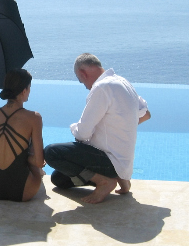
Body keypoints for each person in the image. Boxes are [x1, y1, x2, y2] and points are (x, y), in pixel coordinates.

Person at [43, 54, 150, 204]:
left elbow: (82, 134)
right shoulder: (123, 83)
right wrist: (120, 126)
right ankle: (120, 178)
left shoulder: (102, 88)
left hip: (109, 159)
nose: (86, 87)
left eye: (82, 82)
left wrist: (74, 128)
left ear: (83, 73)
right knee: (58, 179)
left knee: (52, 152)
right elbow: (146, 114)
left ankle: (105, 182)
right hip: (123, 163)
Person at [0, 69, 45, 202]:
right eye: (29, 88)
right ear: (24, 90)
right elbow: (39, 162)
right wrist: (27, 158)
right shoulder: (34, 118)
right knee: (32, 151)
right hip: (23, 190)